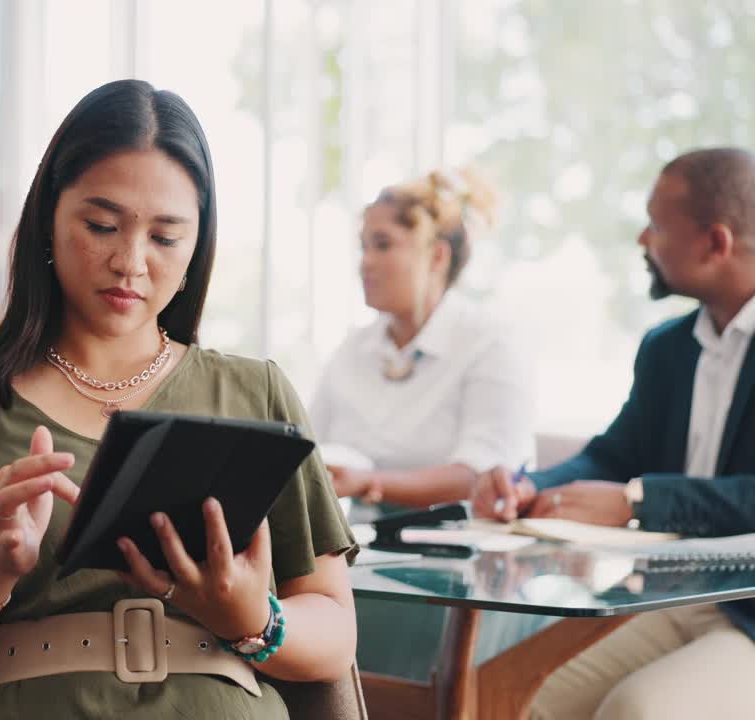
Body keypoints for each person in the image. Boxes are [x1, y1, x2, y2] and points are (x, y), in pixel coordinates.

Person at [0, 79, 359, 719]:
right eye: (102, 225)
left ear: (198, 248)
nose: (130, 262)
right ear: (48, 221)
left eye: (165, 237)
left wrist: (252, 617)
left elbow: (335, 632)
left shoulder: (256, 392)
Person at [472, 147, 755, 720]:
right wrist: (529, 486)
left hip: (748, 616)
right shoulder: (668, 348)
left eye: (656, 224)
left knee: (637, 712)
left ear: (715, 242)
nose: (642, 240)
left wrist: (638, 503)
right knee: (506, 699)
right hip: (671, 599)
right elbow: (612, 454)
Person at [309, 167, 535, 512]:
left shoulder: (490, 344)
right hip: (359, 546)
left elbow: (483, 477)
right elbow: (311, 453)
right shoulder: (351, 350)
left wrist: (371, 483)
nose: (365, 263)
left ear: (438, 256)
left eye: (383, 245)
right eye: (363, 247)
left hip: (461, 548)